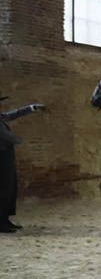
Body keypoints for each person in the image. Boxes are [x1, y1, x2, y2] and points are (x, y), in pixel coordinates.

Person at [1, 97, 47, 233]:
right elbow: (4, 135)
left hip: (6, 157)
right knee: (3, 190)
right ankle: (0, 223)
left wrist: (32, 107)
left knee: (9, 189)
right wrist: (18, 140)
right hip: (1, 158)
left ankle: (4, 219)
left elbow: (11, 115)